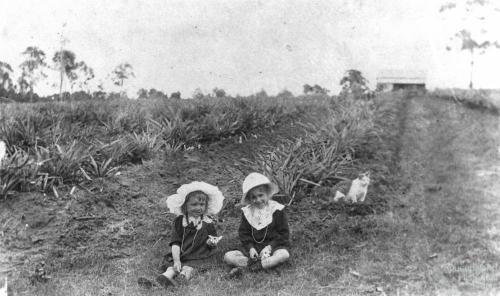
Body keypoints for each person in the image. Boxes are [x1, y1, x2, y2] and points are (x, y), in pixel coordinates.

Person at [156, 181, 224, 288]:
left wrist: (211, 242)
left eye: (202, 204)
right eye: (194, 204)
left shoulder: (207, 223)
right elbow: (175, 243)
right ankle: (165, 278)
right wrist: (177, 260)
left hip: (199, 255)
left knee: (188, 268)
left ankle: (181, 280)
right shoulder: (180, 221)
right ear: (185, 206)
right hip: (182, 254)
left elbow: (211, 241)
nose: (198, 208)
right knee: (173, 267)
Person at [224, 172, 290, 277]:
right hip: (254, 248)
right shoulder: (248, 212)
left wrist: (270, 247)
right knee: (228, 256)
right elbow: (244, 233)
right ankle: (255, 264)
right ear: (249, 199)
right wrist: (250, 248)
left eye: (261, 195)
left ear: (267, 193)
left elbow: (284, 234)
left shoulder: (277, 210)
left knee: (283, 255)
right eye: (253, 197)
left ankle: (256, 266)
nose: (258, 200)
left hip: (273, 247)